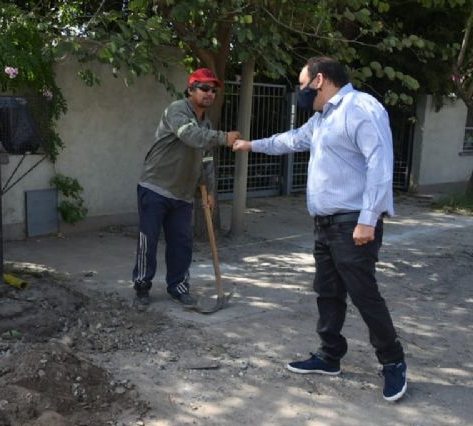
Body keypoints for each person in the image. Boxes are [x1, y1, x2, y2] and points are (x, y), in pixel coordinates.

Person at [232, 56, 407, 402]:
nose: (299, 91)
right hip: (325, 226)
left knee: (363, 294)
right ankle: (330, 356)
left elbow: (380, 163)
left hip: (353, 223)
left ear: (319, 80)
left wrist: (368, 219)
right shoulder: (322, 120)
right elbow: (291, 140)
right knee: (327, 293)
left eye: (302, 83)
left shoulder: (361, 108)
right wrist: (250, 145)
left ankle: (393, 361)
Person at [132, 68, 240, 311]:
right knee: (148, 241)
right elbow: (189, 136)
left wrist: (210, 191)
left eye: (213, 89)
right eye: (203, 88)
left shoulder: (207, 124)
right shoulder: (177, 110)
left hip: (183, 193)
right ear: (190, 90)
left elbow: (206, 160)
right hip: (155, 186)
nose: (209, 93)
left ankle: (178, 287)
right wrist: (224, 138)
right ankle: (141, 287)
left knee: (181, 242)